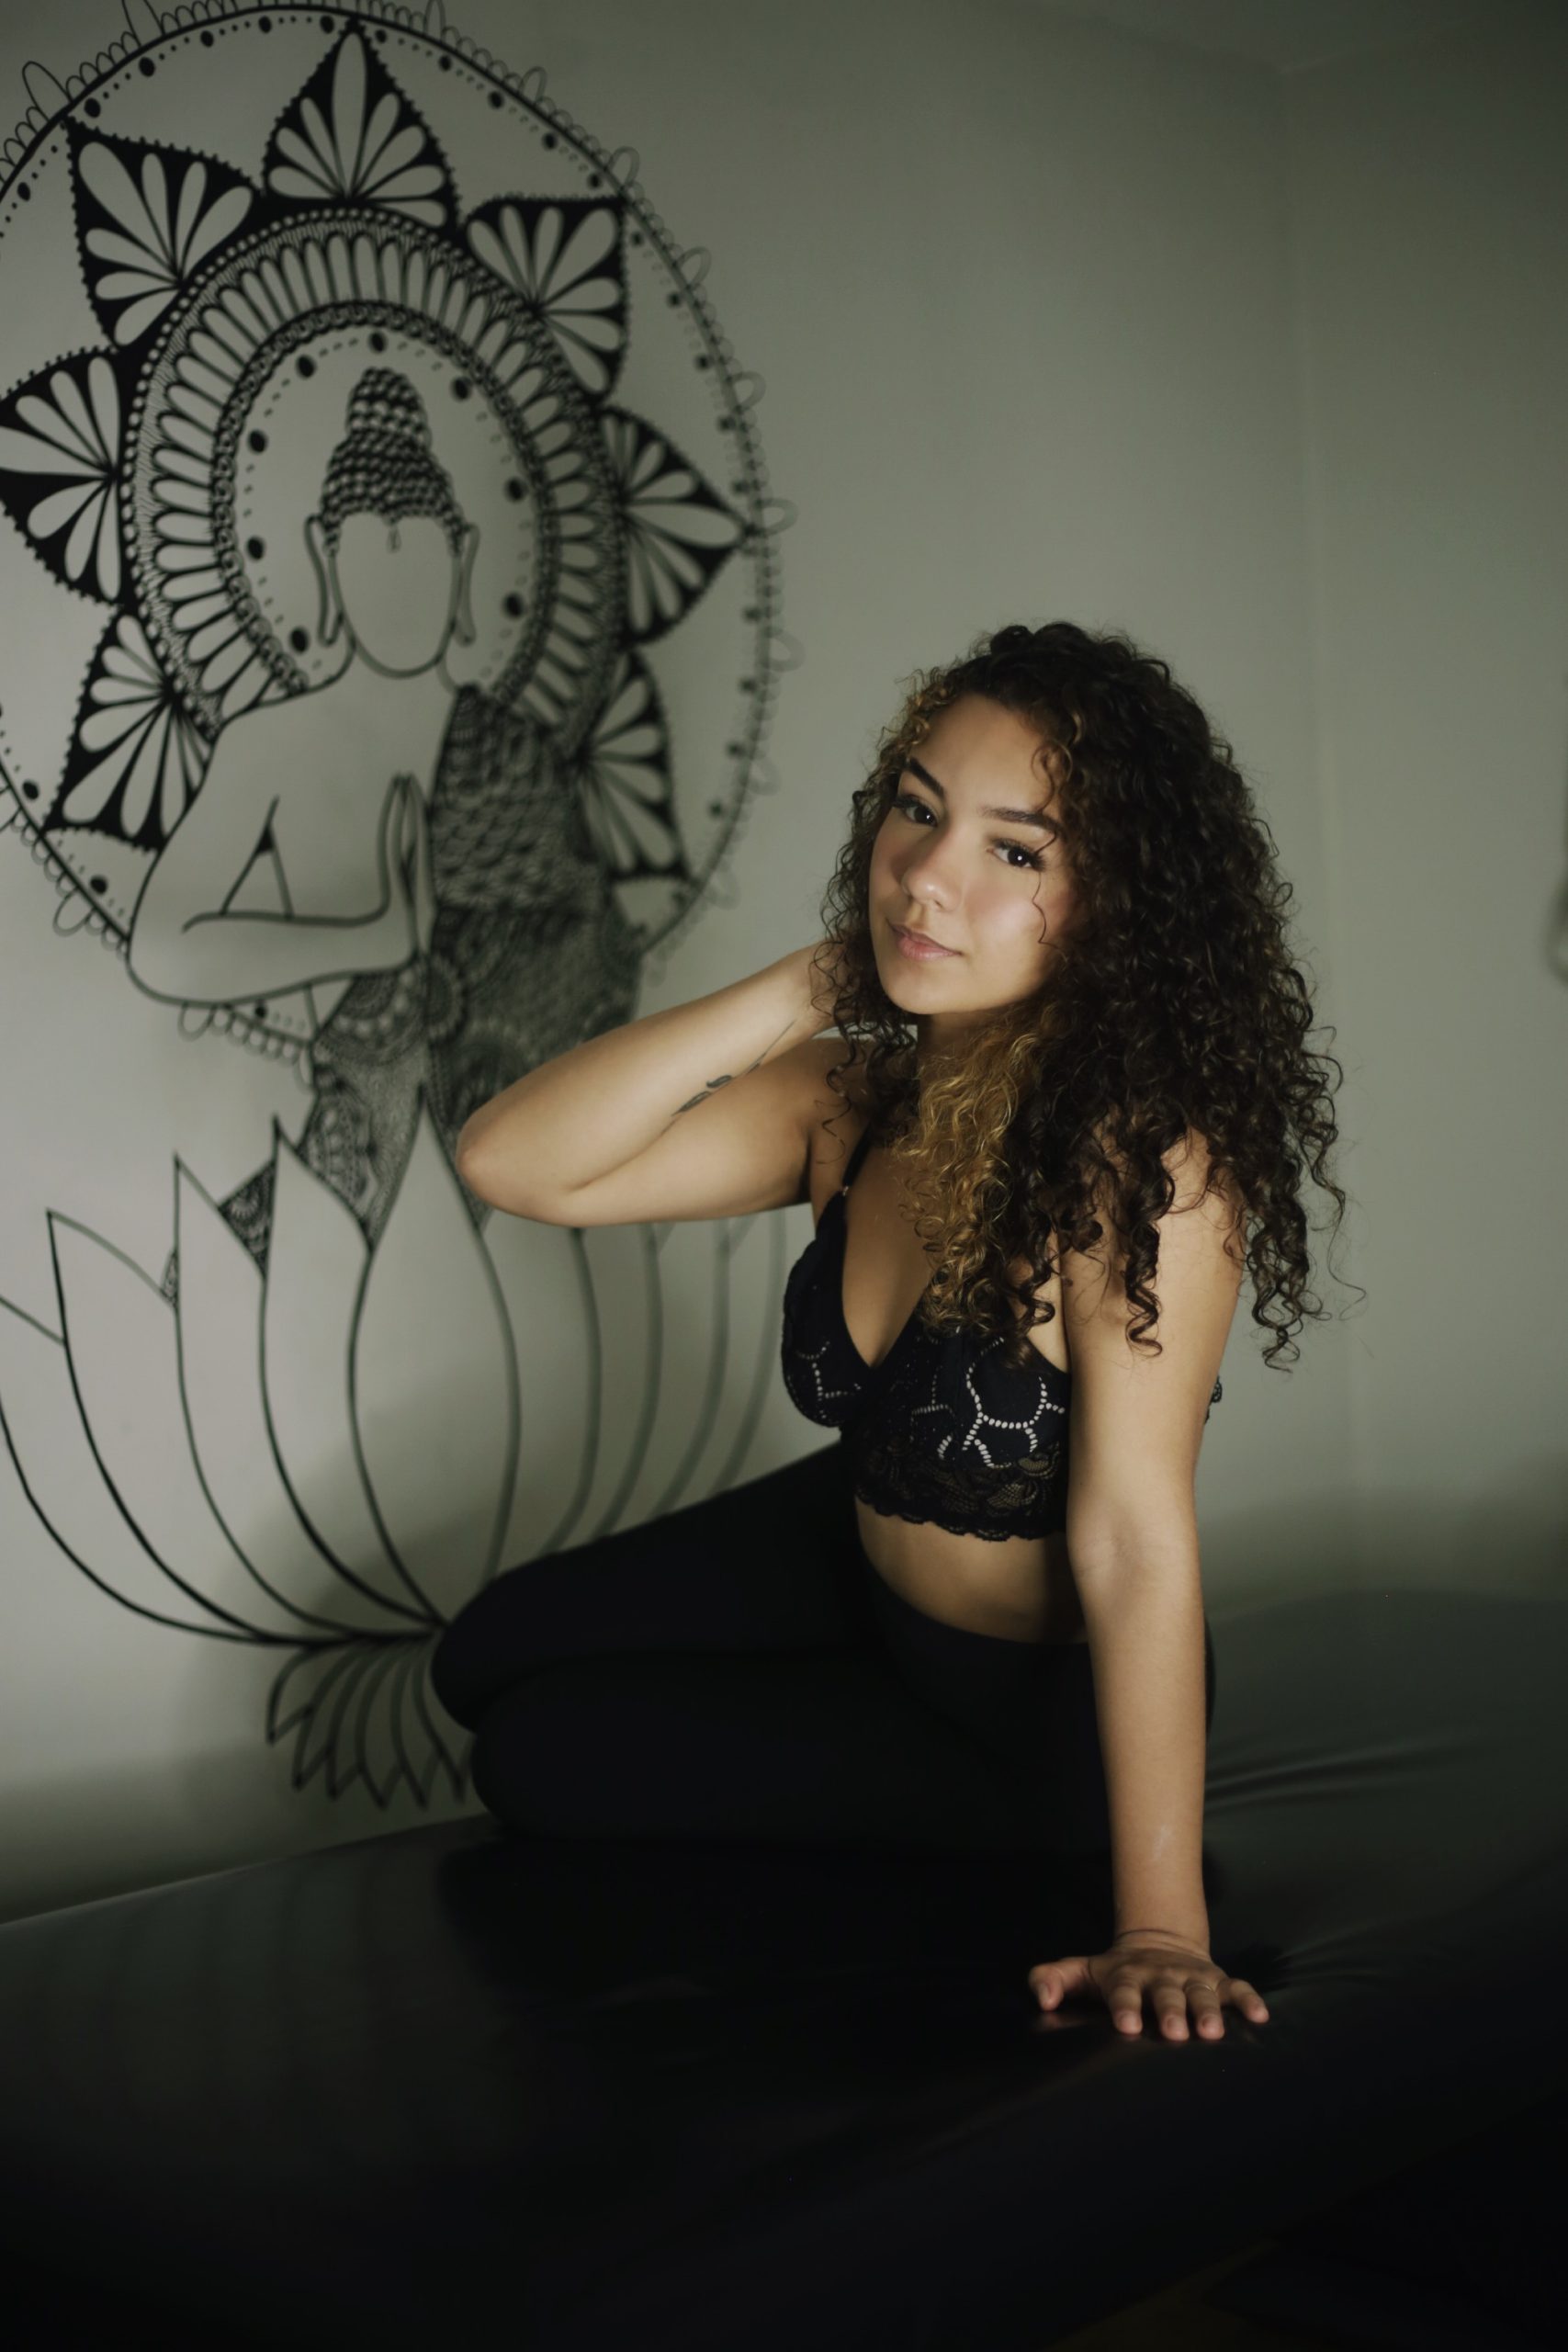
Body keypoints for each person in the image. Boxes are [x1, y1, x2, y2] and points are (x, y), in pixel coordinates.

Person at [433, 619, 1348, 2041]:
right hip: (849, 1553)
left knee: (536, 1756)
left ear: (1117, 907)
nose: (929, 874)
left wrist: (1162, 1930)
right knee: (480, 1654)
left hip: (1014, 1715)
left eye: (1016, 850)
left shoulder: (1141, 1169)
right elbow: (513, 1162)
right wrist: (811, 983)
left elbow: (1134, 1540)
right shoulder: (852, 1099)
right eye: (917, 811)